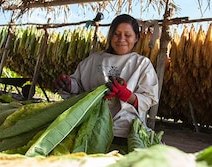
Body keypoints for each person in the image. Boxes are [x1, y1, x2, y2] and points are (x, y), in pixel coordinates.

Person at [54, 14, 159, 149]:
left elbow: (149, 98)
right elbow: (78, 86)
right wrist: (68, 84)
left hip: (123, 131)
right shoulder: (94, 60)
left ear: (136, 38)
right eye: (117, 34)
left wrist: (127, 95)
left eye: (127, 35)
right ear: (110, 36)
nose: (121, 39)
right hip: (89, 126)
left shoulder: (142, 64)